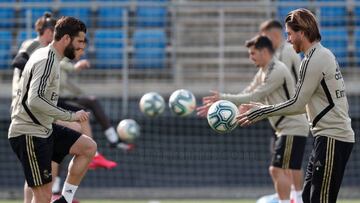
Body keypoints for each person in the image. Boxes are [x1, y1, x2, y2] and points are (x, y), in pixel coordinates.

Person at [237, 8, 355, 203]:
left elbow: (297, 103)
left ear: (302, 32)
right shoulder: (319, 55)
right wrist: (263, 108)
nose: (288, 39)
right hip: (325, 138)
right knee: (307, 197)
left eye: (290, 34)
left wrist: (261, 111)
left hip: (332, 137)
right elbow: (301, 104)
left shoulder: (314, 59)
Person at [197, 35, 309, 203]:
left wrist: (223, 98)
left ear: (264, 52)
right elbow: (246, 93)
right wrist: (220, 105)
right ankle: (293, 199)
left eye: (253, 53)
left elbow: (256, 95)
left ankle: (291, 200)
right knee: (284, 169)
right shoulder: (263, 71)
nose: (251, 58)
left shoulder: (277, 70)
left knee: (277, 169)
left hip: (293, 125)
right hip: (285, 127)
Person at [9, 16, 97, 203]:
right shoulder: (47, 59)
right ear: (66, 39)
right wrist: (70, 116)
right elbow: (34, 100)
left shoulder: (53, 59)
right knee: (42, 197)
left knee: (88, 147)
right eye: (80, 41)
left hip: (44, 128)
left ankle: (65, 199)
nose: (83, 47)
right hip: (29, 132)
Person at [259, 19, 305, 203]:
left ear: (274, 34)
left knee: (286, 163)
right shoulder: (278, 53)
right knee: (287, 162)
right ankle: (291, 195)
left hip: (288, 113)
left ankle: (296, 196)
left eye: (264, 36)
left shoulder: (286, 52)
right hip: (281, 113)